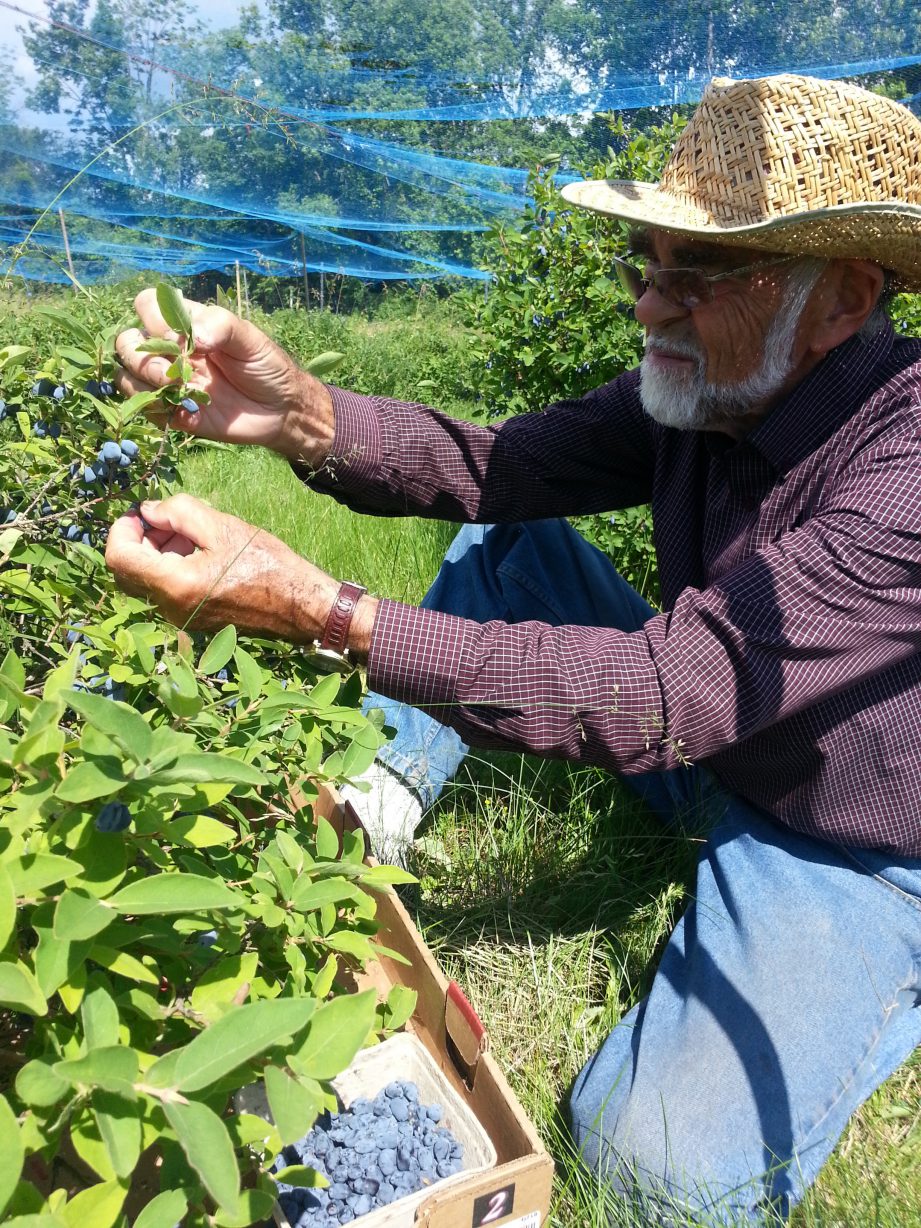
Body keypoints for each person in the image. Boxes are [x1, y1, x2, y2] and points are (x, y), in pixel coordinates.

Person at [106, 73, 921, 1226]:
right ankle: (353, 834)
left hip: (851, 835)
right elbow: (504, 465)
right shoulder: (714, 386)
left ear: (844, 293)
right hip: (712, 731)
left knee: (654, 1170)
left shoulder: (907, 467)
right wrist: (302, 416)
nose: (651, 307)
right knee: (509, 548)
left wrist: (316, 607)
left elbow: (657, 692)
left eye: (698, 277)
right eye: (645, 263)